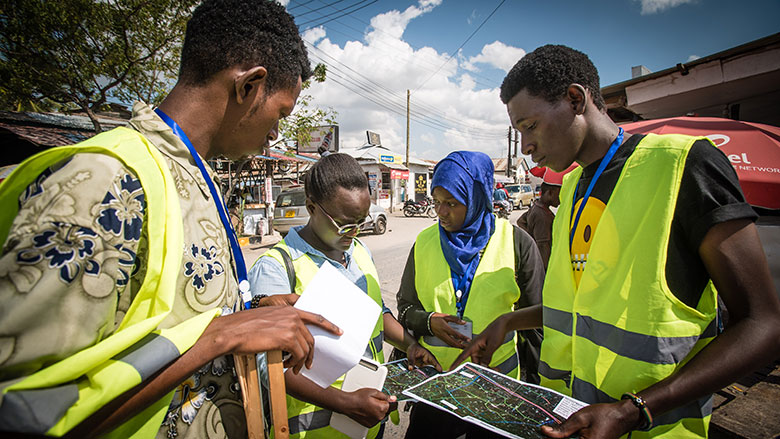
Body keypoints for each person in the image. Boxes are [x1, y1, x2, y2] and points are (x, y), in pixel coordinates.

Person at [0, 1, 342, 437]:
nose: (277, 133)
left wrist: (249, 309)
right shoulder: (109, 181)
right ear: (250, 86)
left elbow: (158, 324)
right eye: (282, 113)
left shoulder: (193, 175)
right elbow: (19, 408)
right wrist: (222, 337)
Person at [452, 45, 780, 438]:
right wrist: (509, 320)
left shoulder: (684, 164)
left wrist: (633, 410)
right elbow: (581, 310)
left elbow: (763, 324)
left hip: (649, 428)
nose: (526, 147)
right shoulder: (572, 187)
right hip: (570, 418)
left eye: (531, 126)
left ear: (576, 99)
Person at [248, 153, 441, 438]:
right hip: (314, 431)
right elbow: (268, 368)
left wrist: (410, 344)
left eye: (361, 221)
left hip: (367, 423)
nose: (354, 232)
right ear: (312, 207)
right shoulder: (277, 267)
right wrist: (345, 403)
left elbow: (378, 313)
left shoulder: (359, 251)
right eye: (345, 223)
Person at [396, 151, 545, 439]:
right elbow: (404, 307)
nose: (441, 212)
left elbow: (537, 324)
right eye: (437, 202)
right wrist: (428, 322)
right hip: (436, 386)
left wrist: (534, 394)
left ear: (477, 197)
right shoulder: (424, 242)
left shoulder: (517, 243)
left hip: (497, 389)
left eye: (452, 203)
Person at [516, 170, 564, 270]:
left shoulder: (537, 207)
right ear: (550, 193)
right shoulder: (542, 215)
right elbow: (543, 247)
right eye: (559, 194)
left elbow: (521, 221)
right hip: (543, 266)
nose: (561, 198)